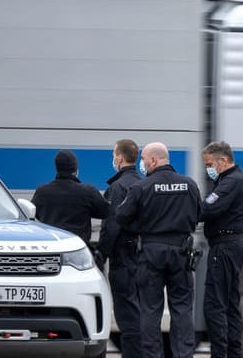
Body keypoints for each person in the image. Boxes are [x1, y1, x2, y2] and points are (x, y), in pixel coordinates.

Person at [114, 142, 203, 358]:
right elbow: (199, 214)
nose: (142, 164)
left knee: (150, 310)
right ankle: (183, 354)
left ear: (154, 160)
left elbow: (121, 216)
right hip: (181, 251)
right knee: (182, 309)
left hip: (151, 252)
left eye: (144, 159)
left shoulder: (141, 187)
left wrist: (141, 227)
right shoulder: (189, 184)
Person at [200, 142, 243, 358]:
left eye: (209, 164)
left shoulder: (231, 182)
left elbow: (208, 208)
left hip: (225, 246)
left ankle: (220, 354)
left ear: (223, 160)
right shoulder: (236, 180)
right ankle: (233, 353)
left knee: (215, 305)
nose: (208, 169)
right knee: (229, 305)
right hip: (232, 245)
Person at [97, 139, 145, 357]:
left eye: (114, 155)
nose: (113, 159)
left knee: (127, 315)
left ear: (119, 157)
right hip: (143, 256)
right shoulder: (144, 183)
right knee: (141, 311)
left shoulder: (118, 187)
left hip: (124, 258)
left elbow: (112, 225)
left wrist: (101, 254)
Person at [32, 150, 109, 241]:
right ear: (76, 170)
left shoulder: (42, 192)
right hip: (77, 247)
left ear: (57, 168)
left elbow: (33, 212)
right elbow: (106, 212)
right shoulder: (88, 191)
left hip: (52, 246)